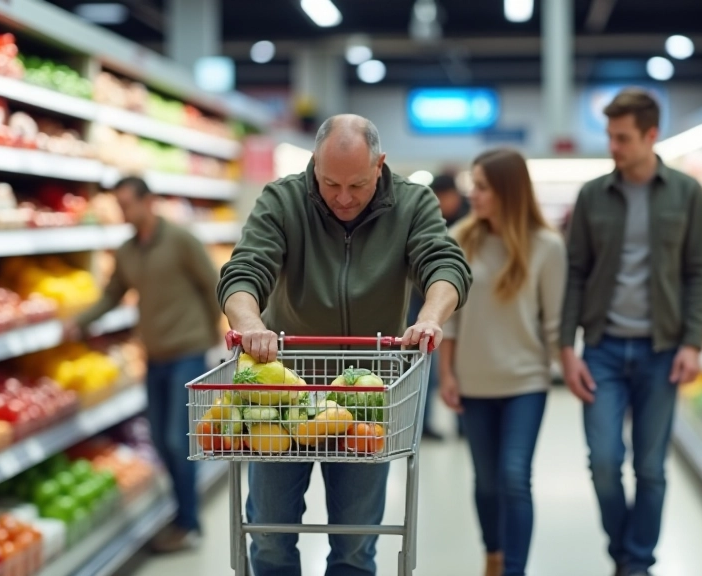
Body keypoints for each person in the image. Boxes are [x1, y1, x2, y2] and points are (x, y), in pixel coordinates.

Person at [216, 114, 472, 576]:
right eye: (330, 182)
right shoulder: (283, 199)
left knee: (355, 545)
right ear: (314, 162)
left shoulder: (413, 204)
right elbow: (244, 270)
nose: (343, 198)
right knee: (270, 538)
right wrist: (250, 322)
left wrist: (431, 318)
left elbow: (445, 265)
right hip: (282, 389)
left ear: (381, 164)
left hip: (366, 394)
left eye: (357, 184)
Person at [559, 89, 702, 576]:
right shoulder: (592, 195)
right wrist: (566, 346)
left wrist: (693, 342)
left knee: (650, 468)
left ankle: (636, 563)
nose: (613, 147)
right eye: (609, 136)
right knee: (603, 461)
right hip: (602, 348)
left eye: (622, 138)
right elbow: (575, 272)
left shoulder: (687, 193)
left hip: (662, 350)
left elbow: (698, 272)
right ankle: (624, 553)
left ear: (651, 135)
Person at [65, 176, 222, 553]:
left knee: (176, 438)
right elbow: (113, 294)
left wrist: (221, 332)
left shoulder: (181, 239)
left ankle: (189, 523)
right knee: (157, 438)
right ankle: (182, 509)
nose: (123, 212)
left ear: (148, 201)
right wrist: (80, 323)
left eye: (127, 204)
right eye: (118, 206)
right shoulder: (126, 251)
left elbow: (213, 283)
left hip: (188, 352)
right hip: (154, 356)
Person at [439, 149, 566, 576]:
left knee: (514, 477)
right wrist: (447, 374)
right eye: (472, 185)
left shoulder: (547, 247)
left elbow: (556, 323)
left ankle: (514, 569)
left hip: (526, 382)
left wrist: (568, 367)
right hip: (474, 381)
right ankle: (492, 554)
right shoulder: (461, 239)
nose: (472, 194)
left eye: (482, 187)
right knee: (487, 482)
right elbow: (450, 318)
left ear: (508, 192)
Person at [407, 172, 470, 440]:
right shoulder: (427, 217)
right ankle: (423, 426)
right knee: (426, 368)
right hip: (421, 305)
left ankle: (464, 425)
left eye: (443, 197)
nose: (440, 203)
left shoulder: (470, 220)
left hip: (461, 305)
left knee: (461, 366)